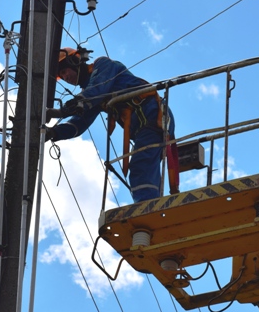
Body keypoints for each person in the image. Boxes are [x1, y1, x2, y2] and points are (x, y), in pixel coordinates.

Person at [47, 47, 177, 202]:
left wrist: (77, 102)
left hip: (152, 114)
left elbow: (99, 86)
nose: (66, 77)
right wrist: (54, 133)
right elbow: (79, 123)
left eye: (65, 71)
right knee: (144, 165)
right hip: (142, 125)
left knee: (141, 165)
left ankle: (146, 209)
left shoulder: (102, 66)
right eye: (61, 76)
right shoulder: (89, 95)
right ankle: (151, 205)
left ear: (74, 62)